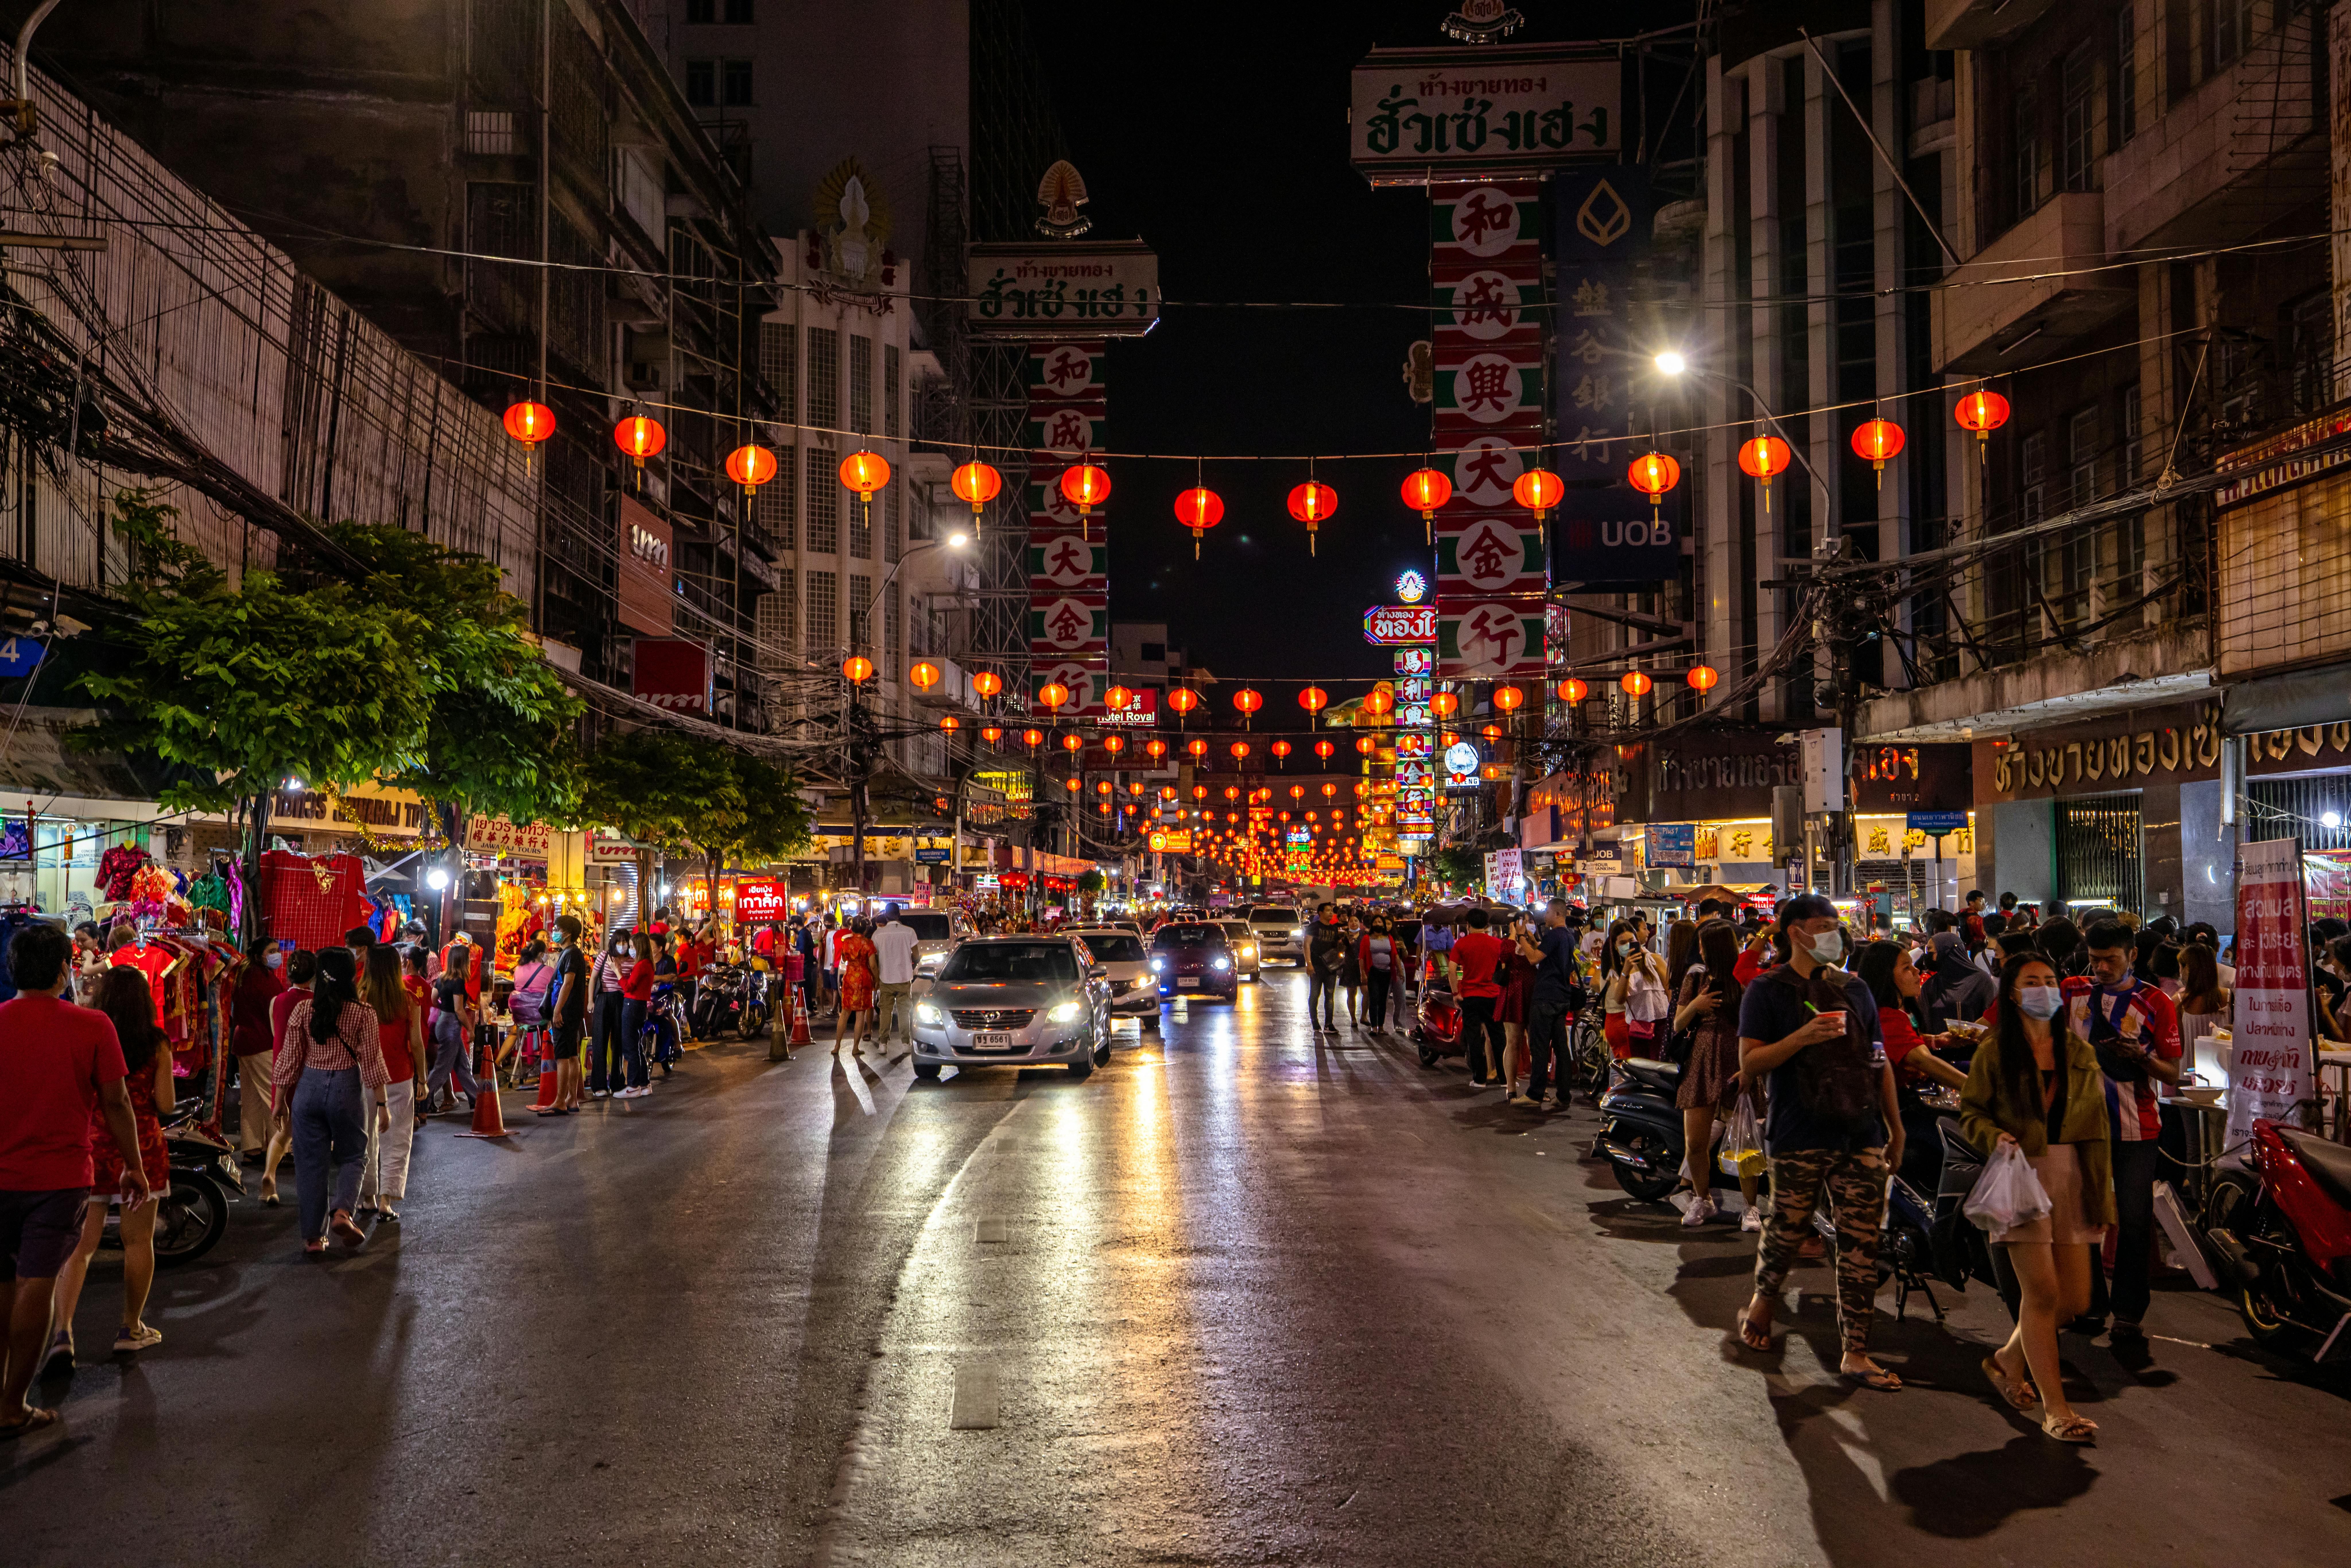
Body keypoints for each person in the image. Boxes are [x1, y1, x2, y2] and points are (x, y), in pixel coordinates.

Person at [1733, 894, 1905, 1391]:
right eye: (1822, 925)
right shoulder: (1766, 990)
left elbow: (1880, 1060)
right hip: (1797, 1132)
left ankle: (1856, 1349)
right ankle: (1764, 1301)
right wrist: (1802, 1037)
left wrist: (1895, 1127)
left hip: (1860, 1131)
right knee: (1786, 1231)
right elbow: (1750, 1064)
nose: (1833, 932)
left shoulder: (1855, 989)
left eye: (1835, 924)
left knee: (1860, 1243)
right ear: (1794, 932)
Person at [0, 925, 150, 1433]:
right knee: (35, 1286)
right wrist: (135, 1164)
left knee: (3, 1287)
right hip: (59, 1179)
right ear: (66, 968)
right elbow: (117, 1101)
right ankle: (11, 1405)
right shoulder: (92, 1026)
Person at [1963, 952, 2111, 1443]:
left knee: (2075, 1299)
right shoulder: (1995, 1050)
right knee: (2043, 1292)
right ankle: (2056, 1408)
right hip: (2021, 1173)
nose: (2043, 989)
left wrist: (2102, 1196)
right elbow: (1971, 1111)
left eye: (2050, 981)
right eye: (2032, 981)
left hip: (2073, 1175)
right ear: (2011, 991)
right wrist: (1994, 1137)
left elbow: (2097, 1130)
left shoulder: (2077, 1050)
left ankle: (2006, 1359)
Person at [47, 965, 174, 1367]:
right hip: (144, 1148)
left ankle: (62, 1333)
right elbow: (168, 1104)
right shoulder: (157, 1044)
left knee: (79, 1249)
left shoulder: (89, 1032)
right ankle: (130, 1329)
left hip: (93, 1147)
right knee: (139, 1243)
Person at [2066, 919, 2181, 1340]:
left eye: (2110, 960)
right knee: (2084, 1218)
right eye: (2094, 960)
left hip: (2137, 1125)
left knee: (2133, 1219)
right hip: (2081, 1125)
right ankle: (2090, 1304)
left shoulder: (2156, 1003)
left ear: (2132, 956)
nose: (2100, 968)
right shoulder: (2072, 990)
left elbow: (2173, 1070)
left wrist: (2142, 1059)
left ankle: (2129, 1312)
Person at [272, 948, 391, 1254]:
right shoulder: (364, 1013)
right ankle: (342, 1212)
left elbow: (290, 1058)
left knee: (311, 1164)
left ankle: (313, 1238)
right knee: (354, 1155)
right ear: (353, 975)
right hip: (346, 1088)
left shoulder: (303, 1011)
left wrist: (279, 1101)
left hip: (308, 1089)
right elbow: (372, 1062)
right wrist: (382, 1104)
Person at [1672, 920, 1763, 1227]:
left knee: (1745, 1142)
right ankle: (1702, 1198)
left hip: (1736, 1061)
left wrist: (1749, 1069)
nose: (1699, 949)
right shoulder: (1696, 979)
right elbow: (1677, 1025)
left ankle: (1750, 1208)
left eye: (1703, 944)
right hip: (1700, 1061)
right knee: (1695, 1142)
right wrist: (1696, 1005)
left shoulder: (1743, 981)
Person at [356, 947, 424, 1221]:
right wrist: (423, 1078)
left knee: (366, 1138)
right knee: (397, 1139)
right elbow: (417, 1044)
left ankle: (368, 1197)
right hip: (400, 1075)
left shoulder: (361, 998)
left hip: (366, 1078)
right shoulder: (408, 1001)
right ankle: (386, 1201)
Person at [259, 949, 317, 1204]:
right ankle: (308, 1188)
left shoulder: (277, 1001)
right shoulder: (316, 1003)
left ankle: (269, 1176)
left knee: (283, 1132)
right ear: (313, 975)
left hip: (281, 1073)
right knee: (307, 1134)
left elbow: (277, 1037)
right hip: (308, 1073)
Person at [228, 937, 287, 1159]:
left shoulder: (247, 973)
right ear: (258, 955)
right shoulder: (261, 979)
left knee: (252, 1099)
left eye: (277, 950)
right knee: (274, 1097)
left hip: (245, 1042)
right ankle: (281, 1149)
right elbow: (273, 1012)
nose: (276, 955)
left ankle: (252, 1148)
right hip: (262, 1043)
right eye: (272, 951)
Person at [1516, 900, 1578, 1107]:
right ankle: (1563, 1096)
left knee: (1540, 1047)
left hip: (1546, 998)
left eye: (1549, 912)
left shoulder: (1554, 935)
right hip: (1562, 998)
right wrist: (1533, 941)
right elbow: (1545, 954)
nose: (1545, 916)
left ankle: (1535, 1094)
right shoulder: (1569, 936)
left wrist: (1521, 938)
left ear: (1558, 913)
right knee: (1562, 1049)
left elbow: (1534, 959)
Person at [1449, 909, 1510, 1085]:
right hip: (1494, 996)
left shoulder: (1461, 944)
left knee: (1474, 1039)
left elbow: (1452, 970)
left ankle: (1479, 1079)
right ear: (1487, 925)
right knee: (1499, 1038)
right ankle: (1505, 1079)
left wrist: (1456, 993)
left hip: (1471, 997)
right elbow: (1506, 968)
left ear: (1468, 925)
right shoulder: (1498, 944)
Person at [425, 936, 485, 1114]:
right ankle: (424, 1102)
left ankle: (477, 1100)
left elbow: (433, 1000)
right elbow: (460, 1010)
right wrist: (470, 1029)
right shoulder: (458, 982)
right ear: (463, 962)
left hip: (442, 1021)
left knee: (462, 1065)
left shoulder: (442, 978)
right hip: (452, 1025)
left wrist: (445, 1007)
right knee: (442, 1069)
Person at [1601, 918, 1671, 1060]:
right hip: (1638, 1029)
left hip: (1661, 1023)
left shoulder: (1654, 960)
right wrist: (1626, 970)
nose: (1628, 946)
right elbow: (1620, 999)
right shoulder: (1617, 971)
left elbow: (1669, 990)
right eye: (1622, 943)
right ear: (1615, 947)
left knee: (1659, 1068)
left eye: (1631, 940)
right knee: (1640, 1070)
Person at [544, 915, 589, 1114]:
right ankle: (572, 1099)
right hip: (570, 1011)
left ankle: (560, 1100)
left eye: (557, 928)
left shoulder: (571, 954)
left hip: (566, 1012)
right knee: (572, 1056)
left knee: (562, 1056)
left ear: (568, 933)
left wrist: (558, 1010)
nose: (554, 931)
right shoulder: (570, 953)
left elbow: (568, 983)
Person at [1918, 930, 1995, 1032]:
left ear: (1947, 952)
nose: (1927, 956)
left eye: (1931, 951)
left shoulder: (1981, 981)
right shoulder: (1930, 986)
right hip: (1940, 1046)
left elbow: (1991, 1018)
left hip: (1974, 1045)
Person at [2175, 941, 2230, 1081]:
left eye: (2181, 967)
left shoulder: (2179, 1001)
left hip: (2188, 1074)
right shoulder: (2229, 997)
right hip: (2225, 1072)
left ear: (2187, 969)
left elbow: (2178, 1047)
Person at [588, 932, 633, 1099]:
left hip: (623, 1001)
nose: (622, 945)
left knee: (619, 1043)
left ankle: (617, 1083)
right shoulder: (605, 956)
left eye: (625, 942)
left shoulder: (632, 960)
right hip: (604, 1000)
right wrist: (591, 1002)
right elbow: (593, 979)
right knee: (600, 1041)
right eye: (619, 942)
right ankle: (599, 1085)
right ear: (613, 943)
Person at [872, 909, 919, 1045]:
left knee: (886, 1011)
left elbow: (874, 957)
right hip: (904, 978)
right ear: (899, 915)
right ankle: (905, 1043)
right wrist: (910, 964)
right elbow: (916, 955)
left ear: (886, 916)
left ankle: (883, 1044)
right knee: (904, 1012)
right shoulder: (909, 932)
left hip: (885, 978)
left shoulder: (878, 934)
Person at [833, 918, 877, 1055]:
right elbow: (873, 965)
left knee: (845, 1012)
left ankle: (837, 1046)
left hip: (849, 977)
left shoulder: (846, 942)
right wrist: (877, 979)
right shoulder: (868, 943)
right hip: (863, 978)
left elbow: (844, 959)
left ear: (852, 928)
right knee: (860, 1014)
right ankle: (855, 1048)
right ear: (866, 929)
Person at [1306, 903, 1345, 1034]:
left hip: (1331, 968)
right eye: (1328, 911)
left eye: (1332, 911)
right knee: (1315, 995)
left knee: (1330, 995)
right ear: (1320, 913)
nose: (1331, 913)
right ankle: (1315, 1021)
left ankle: (1329, 1024)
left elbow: (1336, 948)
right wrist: (1309, 964)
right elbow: (1307, 946)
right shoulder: (1313, 927)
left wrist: (1343, 945)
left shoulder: (1334, 929)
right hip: (1317, 966)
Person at [1359, 916, 1397, 1033]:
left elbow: (1395, 955)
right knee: (1374, 999)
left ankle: (1381, 1027)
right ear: (1372, 925)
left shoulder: (1389, 938)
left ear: (1384, 925)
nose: (1378, 923)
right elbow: (1361, 958)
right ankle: (1374, 1027)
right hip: (1373, 972)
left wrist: (1400, 971)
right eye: (1375, 921)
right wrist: (1363, 974)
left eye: (1380, 921)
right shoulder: (1367, 938)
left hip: (1386, 973)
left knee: (1383, 1001)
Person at [1340, 910, 1366, 1027]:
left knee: (1367, 992)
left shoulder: (1365, 935)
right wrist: (1345, 944)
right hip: (1350, 966)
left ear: (1360, 923)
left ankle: (1364, 1016)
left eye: (1356, 921)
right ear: (1348, 923)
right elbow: (1339, 950)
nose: (1354, 923)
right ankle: (1353, 1019)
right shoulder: (1345, 935)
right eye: (1352, 921)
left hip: (1363, 967)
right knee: (1352, 993)